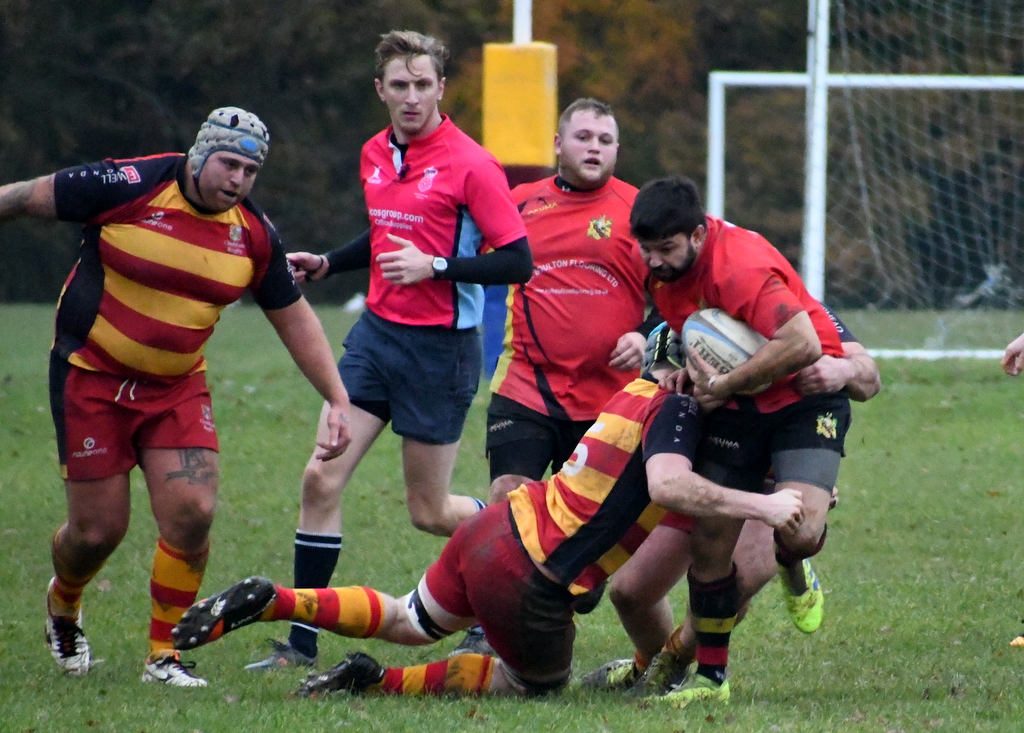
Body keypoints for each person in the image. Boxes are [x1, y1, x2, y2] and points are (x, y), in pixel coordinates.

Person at [171, 331, 805, 698]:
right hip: (531, 578)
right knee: (535, 685)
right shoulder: (679, 411)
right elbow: (670, 484)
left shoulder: (633, 391)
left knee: (407, 617)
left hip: (494, 526)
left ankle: (276, 599)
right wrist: (766, 504)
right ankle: (376, 682)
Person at [0, 107, 352, 686]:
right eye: (229, 163)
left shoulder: (252, 233)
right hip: (90, 377)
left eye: (250, 171)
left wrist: (337, 398)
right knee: (96, 532)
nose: (238, 179)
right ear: (199, 154)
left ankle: (163, 656)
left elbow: (293, 317)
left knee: (193, 511)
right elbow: (26, 196)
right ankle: (64, 604)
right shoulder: (128, 184)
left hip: (175, 387)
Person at [248, 30, 533, 671]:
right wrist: (330, 262)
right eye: (399, 85)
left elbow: (518, 260)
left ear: (441, 88)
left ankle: (512, 534)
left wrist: (436, 266)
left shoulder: (472, 164)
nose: (411, 97)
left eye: (422, 84)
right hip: (376, 339)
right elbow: (383, 233)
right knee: (320, 477)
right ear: (380, 89)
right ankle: (301, 642)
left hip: (441, 351)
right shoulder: (374, 152)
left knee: (428, 511)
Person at [625, 176, 853, 705]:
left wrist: (726, 382)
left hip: (802, 402)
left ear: (698, 236)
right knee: (709, 541)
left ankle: (793, 560)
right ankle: (711, 680)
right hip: (737, 406)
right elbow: (701, 336)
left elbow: (801, 343)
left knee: (801, 532)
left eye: (666, 249)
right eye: (647, 249)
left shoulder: (740, 266)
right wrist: (684, 371)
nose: (655, 261)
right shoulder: (661, 273)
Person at [583, 311, 881, 695]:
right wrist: (695, 394)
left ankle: (671, 664)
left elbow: (868, 376)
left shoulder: (793, 311)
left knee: (735, 584)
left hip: (770, 486)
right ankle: (645, 665)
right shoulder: (684, 317)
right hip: (701, 475)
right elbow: (660, 402)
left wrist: (842, 371)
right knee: (629, 594)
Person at [449, 97, 653, 656]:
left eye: (605, 140)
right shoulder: (518, 205)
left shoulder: (638, 212)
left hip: (609, 404)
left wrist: (646, 335)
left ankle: (564, 590)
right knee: (507, 502)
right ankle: (484, 627)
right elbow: (463, 251)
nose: (594, 147)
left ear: (617, 150)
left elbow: (674, 294)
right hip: (526, 386)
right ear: (558, 144)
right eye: (583, 136)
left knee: (584, 541)